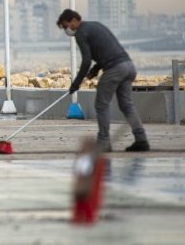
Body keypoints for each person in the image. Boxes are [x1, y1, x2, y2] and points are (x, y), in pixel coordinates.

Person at [56, 9, 149, 152]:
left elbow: (86, 61)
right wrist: (96, 69)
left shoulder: (80, 33)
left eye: (66, 25)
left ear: (74, 20)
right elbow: (107, 50)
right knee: (127, 105)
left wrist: (76, 82)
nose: (66, 30)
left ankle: (104, 142)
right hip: (128, 66)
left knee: (101, 105)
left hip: (115, 69)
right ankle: (141, 140)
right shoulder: (96, 26)